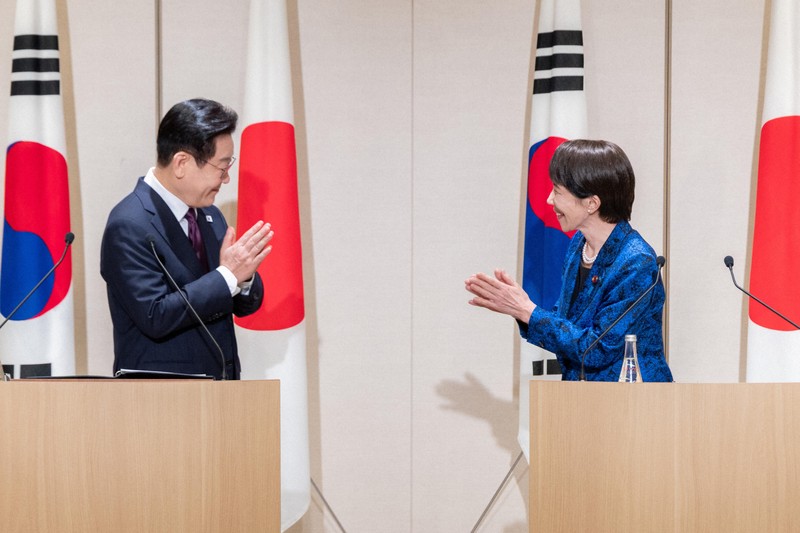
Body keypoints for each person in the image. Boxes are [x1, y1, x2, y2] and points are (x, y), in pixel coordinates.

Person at [465, 139, 673, 382]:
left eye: (557, 191)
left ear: (591, 203)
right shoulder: (579, 245)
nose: (549, 200)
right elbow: (567, 320)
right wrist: (519, 307)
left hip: (632, 398)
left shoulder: (636, 262)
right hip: (580, 395)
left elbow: (596, 348)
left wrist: (527, 310)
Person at [100, 98, 273, 379]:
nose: (226, 179)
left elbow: (241, 305)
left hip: (221, 390)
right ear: (181, 163)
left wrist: (244, 277)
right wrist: (228, 275)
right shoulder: (129, 223)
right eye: (221, 167)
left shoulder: (210, 215)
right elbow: (155, 315)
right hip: (162, 393)